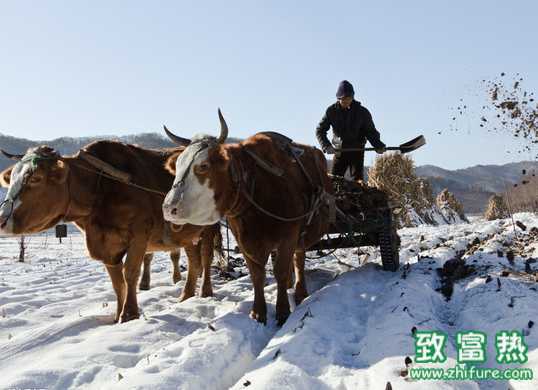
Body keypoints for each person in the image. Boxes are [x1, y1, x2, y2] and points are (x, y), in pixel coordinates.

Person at [316, 80, 386, 181]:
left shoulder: (362, 112)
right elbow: (320, 130)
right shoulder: (331, 111)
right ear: (338, 98)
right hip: (340, 151)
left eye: (349, 99)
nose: (346, 101)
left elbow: (371, 132)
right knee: (334, 182)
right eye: (343, 99)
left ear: (353, 97)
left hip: (357, 151)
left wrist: (378, 145)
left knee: (358, 183)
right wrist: (326, 145)